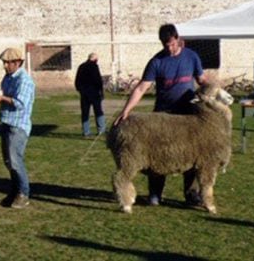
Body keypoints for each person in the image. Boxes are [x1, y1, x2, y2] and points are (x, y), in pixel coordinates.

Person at [114, 23, 207, 206]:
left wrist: (212, 89)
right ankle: (155, 195)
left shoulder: (192, 57)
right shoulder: (156, 61)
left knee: (191, 154)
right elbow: (142, 87)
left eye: (172, 44)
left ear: (178, 39)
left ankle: (191, 194)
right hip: (163, 116)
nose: (170, 49)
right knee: (158, 155)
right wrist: (126, 110)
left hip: (188, 116)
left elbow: (201, 79)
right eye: (166, 45)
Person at [0, 47, 35, 209]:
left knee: (15, 161)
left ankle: (23, 193)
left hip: (18, 126)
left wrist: (2, 98)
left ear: (17, 62)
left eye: (7, 63)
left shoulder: (24, 80)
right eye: (4, 63)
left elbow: (20, 103)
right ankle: (15, 191)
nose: (5, 66)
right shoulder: (8, 77)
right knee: (8, 161)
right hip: (6, 122)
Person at [74, 53, 105, 137]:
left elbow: (77, 80)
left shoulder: (81, 66)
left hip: (84, 92)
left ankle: (86, 131)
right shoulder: (94, 66)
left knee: (85, 112)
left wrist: (80, 90)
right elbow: (98, 79)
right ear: (95, 59)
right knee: (98, 111)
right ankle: (101, 130)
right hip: (94, 92)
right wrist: (101, 91)